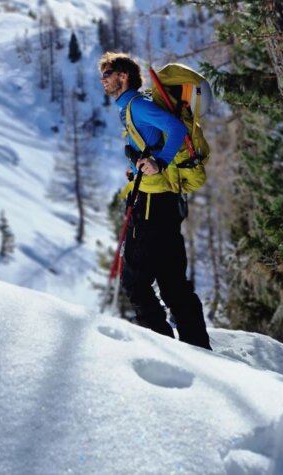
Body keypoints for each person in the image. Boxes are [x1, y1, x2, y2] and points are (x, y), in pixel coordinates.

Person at [99, 51, 211, 349]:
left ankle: (163, 349)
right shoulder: (134, 107)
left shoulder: (137, 105)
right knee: (173, 283)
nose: (103, 81)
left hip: (150, 204)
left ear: (123, 77)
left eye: (107, 75)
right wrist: (141, 165)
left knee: (135, 284)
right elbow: (153, 141)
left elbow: (174, 129)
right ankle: (198, 348)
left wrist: (159, 162)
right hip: (165, 202)